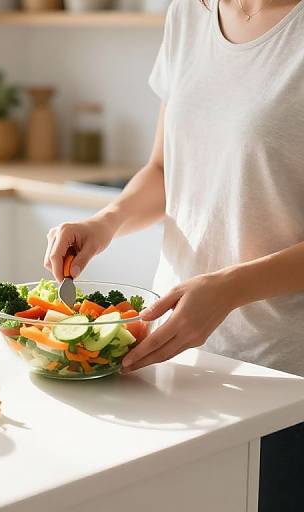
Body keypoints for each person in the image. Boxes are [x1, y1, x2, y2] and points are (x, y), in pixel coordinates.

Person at [44, 0, 304, 509]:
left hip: (281, 376)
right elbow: (164, 170)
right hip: (173, 355)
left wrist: (231, 288)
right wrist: (104, 223)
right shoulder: (188, 13)